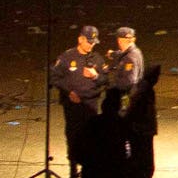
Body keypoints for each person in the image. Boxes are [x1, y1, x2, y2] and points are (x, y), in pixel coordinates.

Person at [51, 25, 108, 177]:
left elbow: (105, 80)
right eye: (89, 42)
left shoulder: (97, 58)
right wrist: (68, 91)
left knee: (91, 136)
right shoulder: (67, 57)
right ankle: (73, 167)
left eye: (94, 43)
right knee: (73, 136)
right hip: (73, 106)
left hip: (91, 104)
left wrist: (96, 76)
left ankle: (89, 168)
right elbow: (54, 78)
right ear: (80, 39)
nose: (91, 45)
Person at [77, 90, 132, 178]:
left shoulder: (92, 122)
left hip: (92, 169)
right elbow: (128, 151)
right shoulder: (121, 124)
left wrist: (86, 163)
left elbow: (78, 147)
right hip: (114, 170)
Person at [123, 65, 162, 178]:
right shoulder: (143, 89)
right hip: (141, 130)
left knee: (142, 159)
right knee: (144, 159)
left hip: (142, 129)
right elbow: (132, 108)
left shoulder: (143, 87)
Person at [108, 27, 145, 93]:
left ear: (119, 40)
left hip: (129, 94)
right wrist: (113, 54)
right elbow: (123, 53)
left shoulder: (130, 58)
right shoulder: (135, 51)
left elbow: (129, 81)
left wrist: (111, 83)